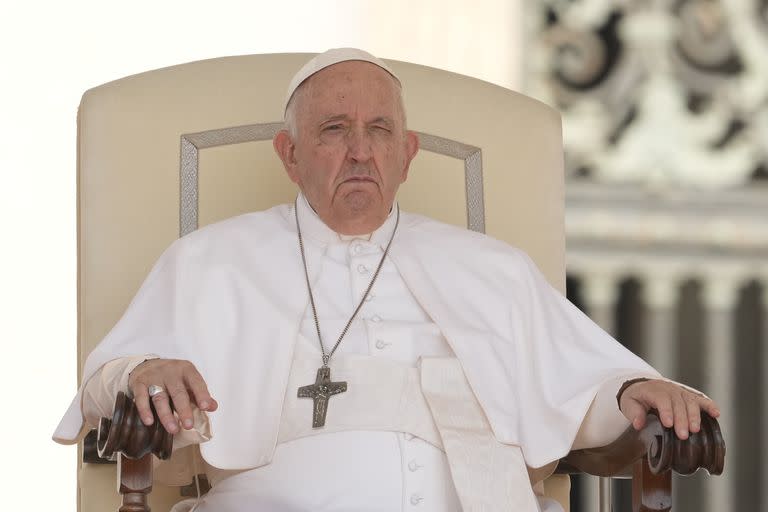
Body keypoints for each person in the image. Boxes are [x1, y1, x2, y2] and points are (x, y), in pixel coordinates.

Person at [54, 48, 720, 512]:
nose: (360, 152)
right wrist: (139, 372)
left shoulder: (492, 269)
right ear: (289, 155)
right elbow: (107, 378)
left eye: (380, 131)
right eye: (334, 131)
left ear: (408, 154)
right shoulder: (211, 262)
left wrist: (637, 388)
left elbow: (582, 392)